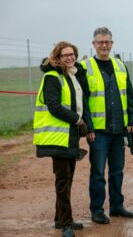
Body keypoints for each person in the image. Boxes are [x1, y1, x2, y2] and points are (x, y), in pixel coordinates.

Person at [81, 27, 133, 224]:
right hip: (98, 132)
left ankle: (116, 206)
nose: (104, 45)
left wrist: (132, 119)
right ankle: (97, 209)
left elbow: (129, 95)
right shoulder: (85, 67)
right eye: (100, 42)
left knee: (117, 170)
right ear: (94, 44)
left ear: (112, 44)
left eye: (107, 42)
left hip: (119, 129)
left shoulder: (120, 66)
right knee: (98, 173)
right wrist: (87, 127)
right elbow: (83, 100)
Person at [33, 41, 90, 237]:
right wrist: (78, 121)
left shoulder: (69, 76)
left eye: (72, 54)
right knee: (63, 181)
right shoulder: (52, 77)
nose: (70, 57)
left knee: (67, 179)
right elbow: (54, 106)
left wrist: (80, 123)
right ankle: (66, 223)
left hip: (68, 137)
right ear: (57, 57)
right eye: (65, 55)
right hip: (56, 137)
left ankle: (60, 219)